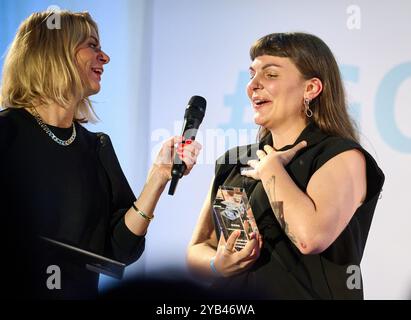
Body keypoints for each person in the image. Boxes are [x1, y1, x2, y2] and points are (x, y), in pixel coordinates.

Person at [0, 10, 201, 299]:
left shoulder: (97, 147)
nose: (104, 57)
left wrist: (157, 178)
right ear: (53, 52)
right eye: (91, 45)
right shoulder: (7, 134)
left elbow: (120, 250)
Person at [187, 32, 384, 299]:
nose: (252, 85)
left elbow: (309, 238)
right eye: (252, 74)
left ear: (311, 88)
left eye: (270, 74)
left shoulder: (340, 156)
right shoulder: (233, 161)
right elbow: (199, 247)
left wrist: (271, 170)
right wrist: (217, 265)